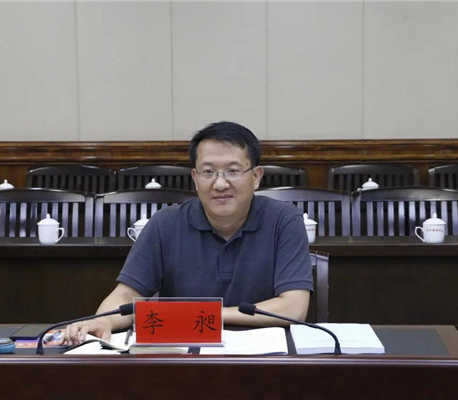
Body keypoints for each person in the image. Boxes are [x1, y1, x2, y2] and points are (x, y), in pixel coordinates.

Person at [64, 121, 313, 345]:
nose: (220, 183)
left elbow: (293, 307)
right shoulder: (165, 224)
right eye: (208, 172)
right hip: (184, 356)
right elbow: (127, 294)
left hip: (264, 356)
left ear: (256, 177)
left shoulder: (283, 220)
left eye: (233, 170)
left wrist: (206, 316)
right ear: (195, 177)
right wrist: (104, 321)